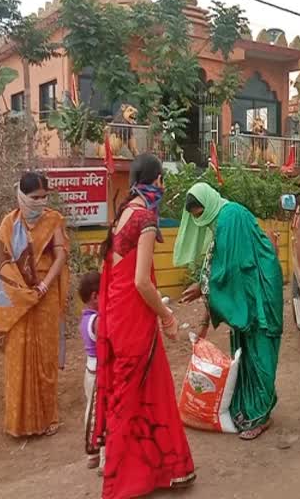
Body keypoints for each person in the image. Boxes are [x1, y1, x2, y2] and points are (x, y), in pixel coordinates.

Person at [95, 154, 195, 499]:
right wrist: (167, 317)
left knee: (150, 388)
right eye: (163, 180)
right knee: (130, 394)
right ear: (155, 181)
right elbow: (141, 281)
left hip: (119, 313)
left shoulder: (124, 213)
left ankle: (167, 468)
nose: (164, 187)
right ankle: (120, 481)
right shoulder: (145, 218)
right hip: (134, 316)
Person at [173, 183, 283, 441]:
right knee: (245, 354)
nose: (201, 220)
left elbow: (231, 268)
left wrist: (202, 290)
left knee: (261, 354)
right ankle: (249, 406)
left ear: (209, 203)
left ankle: (260, 415)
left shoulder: (231, 216)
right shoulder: (219, 220)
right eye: (197, 216)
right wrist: (202, 290)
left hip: (260, 293)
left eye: (202, 213)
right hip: (245, 294)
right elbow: (222, 266)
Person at [0, 171, 68, 438]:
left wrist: (44, 285)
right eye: (35, 197)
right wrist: (24, 291)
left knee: (45, 359)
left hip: (44, 297)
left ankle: (48, 418)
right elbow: (3, 265)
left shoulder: (53, 220)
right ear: (22, 196)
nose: (40, 202)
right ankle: (19, 423)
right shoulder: (8, 224)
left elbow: (60, 255)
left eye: (44, 196)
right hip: (18, 301)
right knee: (19, 358)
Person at [78, 271, 102, 470]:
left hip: (90, 369)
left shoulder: (85, 318)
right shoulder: (98, 321)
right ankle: (102, 458)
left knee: (91, 410)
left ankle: (92, 453)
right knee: (103, 413)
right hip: (100, 372)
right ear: (95, 296)